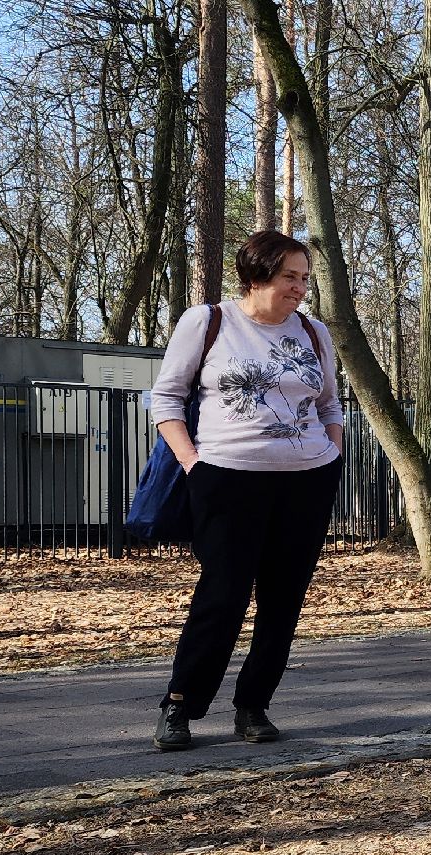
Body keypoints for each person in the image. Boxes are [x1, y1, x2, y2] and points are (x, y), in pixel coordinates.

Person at [146, 230, 346, 752]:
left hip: (307, 480)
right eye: (289, 278)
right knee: (223, 595)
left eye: (304, 279)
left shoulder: (313, 332)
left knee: (284, 600)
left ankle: (253, 705)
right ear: (256, 275)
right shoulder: (209, 321)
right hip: (226, 479)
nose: (300, 288)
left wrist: (332, 453)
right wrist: (192, 463)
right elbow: (165, 398)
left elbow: (329, 403)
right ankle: (180, 705)